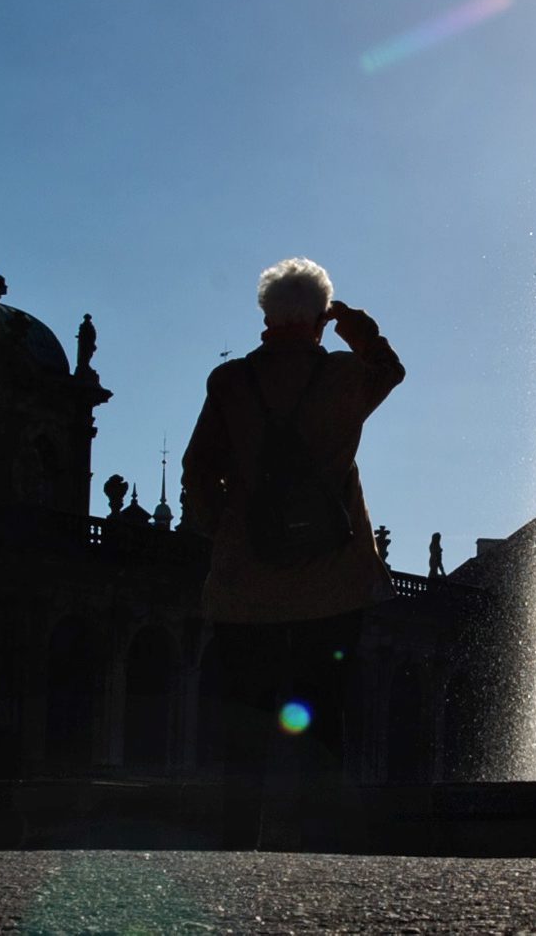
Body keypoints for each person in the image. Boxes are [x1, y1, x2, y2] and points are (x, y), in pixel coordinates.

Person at [180, 256, 403, 850]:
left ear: (265, 315)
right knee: (324, 720)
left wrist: (222, 531)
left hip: (244, 587)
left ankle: (235, 844)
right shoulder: (345, 377)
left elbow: (197, 469)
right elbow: (392, 369)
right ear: (318, 319)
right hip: (332, 582)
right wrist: (353, 325)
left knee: (243, 724)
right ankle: (315, 849)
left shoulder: (229, 383)